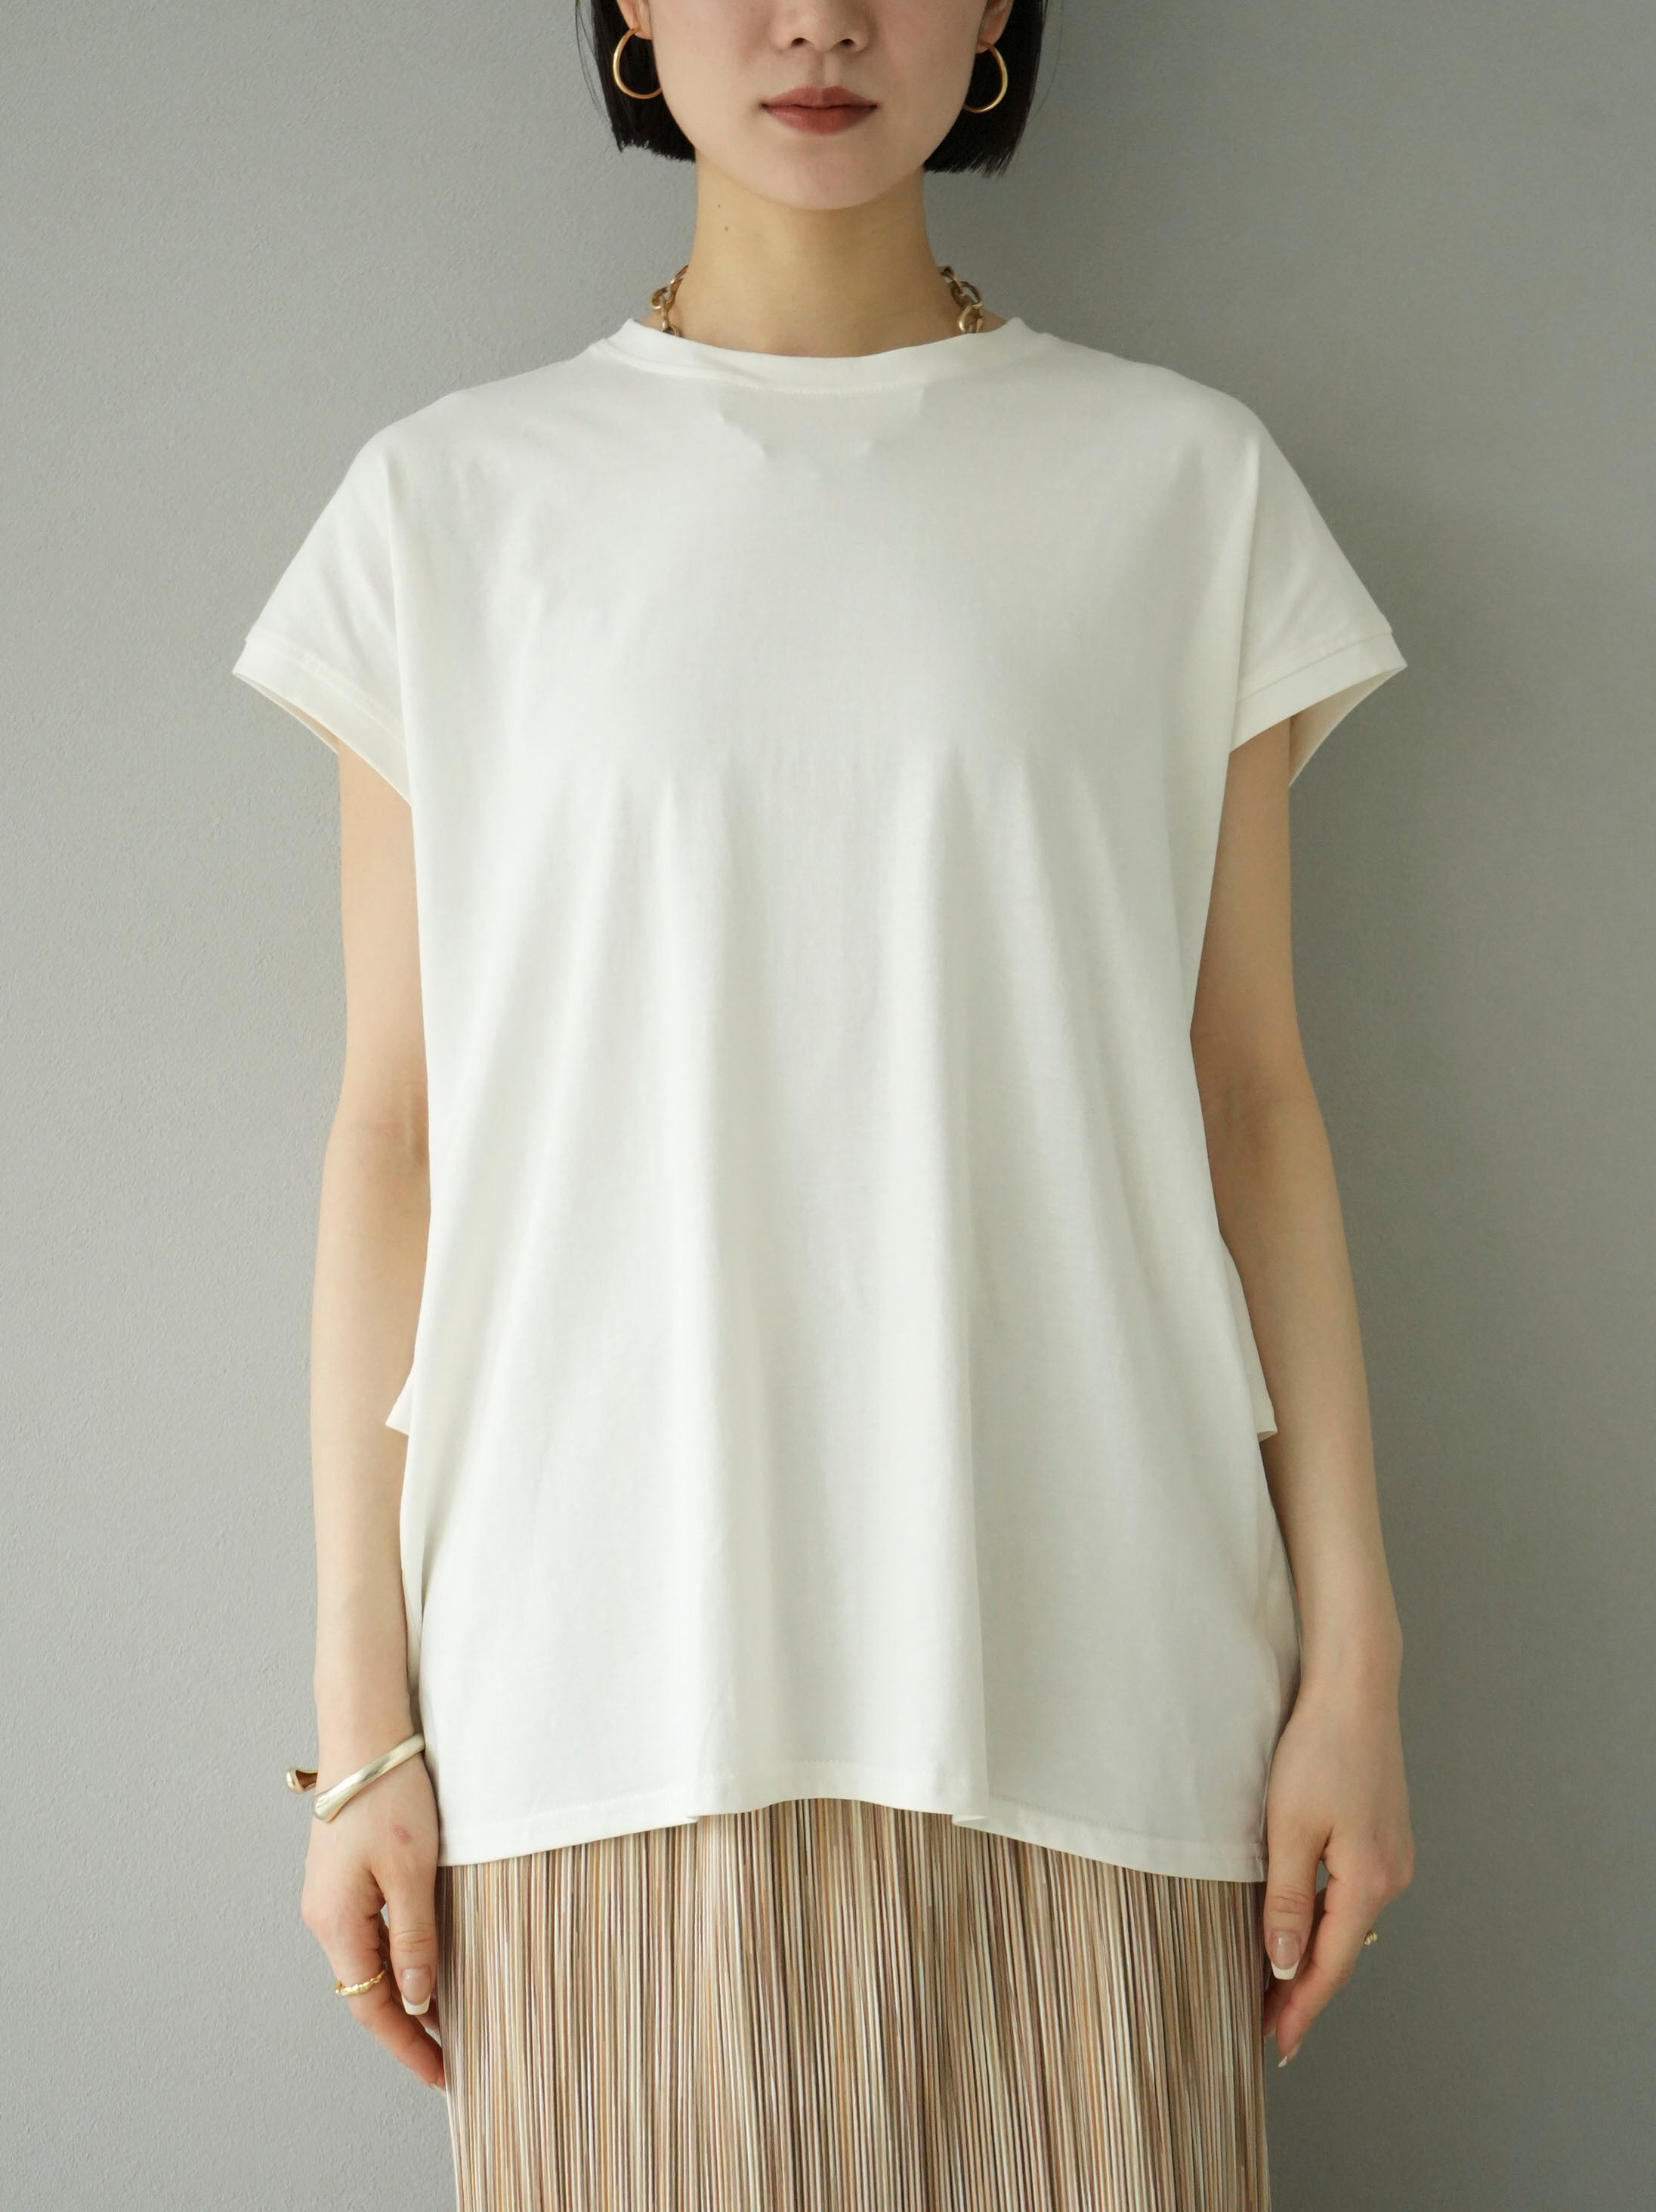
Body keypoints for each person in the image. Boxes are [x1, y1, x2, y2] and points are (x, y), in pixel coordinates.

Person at [236, 2, 1415, 2204]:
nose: (818, 19)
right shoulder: (450, 507)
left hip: (1105, 1691)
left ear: (996, 19)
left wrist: (1356, 1666)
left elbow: (1253, 1098)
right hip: (598, 1706)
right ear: (627, 13)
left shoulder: (1181, 483)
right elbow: (396, 1130)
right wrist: (360, 1729)